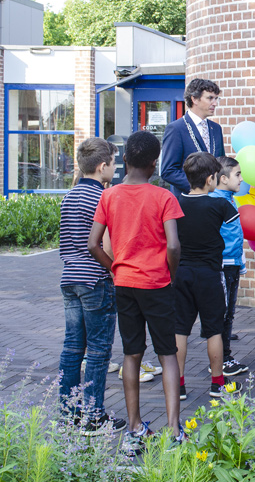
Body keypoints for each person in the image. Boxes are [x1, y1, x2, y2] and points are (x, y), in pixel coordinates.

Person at [88, 131, 184, 455]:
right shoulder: (164, 197)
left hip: (125, 283)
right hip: (157, 284)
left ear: (124, 159)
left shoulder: (109, 196)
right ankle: (173, 431)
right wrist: (171, 272)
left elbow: (92, 244)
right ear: (155, 163)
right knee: (167, 354)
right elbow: (173, 244)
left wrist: (114, 267)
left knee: (132, 354)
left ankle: (134, 429)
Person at [57, 138, 125, 434]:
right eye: (113, 162)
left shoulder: (69, 196)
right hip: (96, 279)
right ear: (102, 166)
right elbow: (106, 243)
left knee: (72, 347)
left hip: (70, 278)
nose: (115, 167)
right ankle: (94, 416)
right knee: (98, 351)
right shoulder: (104, 197)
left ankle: (68, 412)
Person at [174, 152, 242, 398]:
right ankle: (217, 383)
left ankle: (178, 385)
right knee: (214, 330)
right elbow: (233, 227)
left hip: (181, 273)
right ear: (212, 178)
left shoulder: (175, 203)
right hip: (210, 274)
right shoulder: (220, 204)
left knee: (179, 330)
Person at [208, 156, 250, 377]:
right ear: (223, 178)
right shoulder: (217, 201)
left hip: (233, 264)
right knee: (223, 314)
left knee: (229, 314)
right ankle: (221, 360)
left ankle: (225, 356)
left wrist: (240, 260)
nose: (241, 179)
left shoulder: (230, 199)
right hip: (223, 266)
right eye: (237, 175)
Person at [160, 78, 225, 196]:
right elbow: (168, 171)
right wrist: (199, 187)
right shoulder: (176, 129)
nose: (215, 103)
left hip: (214, 201)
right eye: (210, 98)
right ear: (194, 99)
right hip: (187, 202)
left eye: (216, 98)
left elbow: (221, 163)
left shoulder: (216, 129)